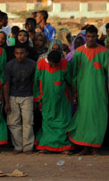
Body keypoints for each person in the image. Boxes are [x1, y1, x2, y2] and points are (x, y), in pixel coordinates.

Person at [67, 26, 108, 155]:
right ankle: (85, 147)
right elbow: (73, 73)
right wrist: (74, 90)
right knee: (83, 118)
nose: (90, 39)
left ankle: (95, 147)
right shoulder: (79, 52)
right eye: (88, 37)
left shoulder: (104, 52)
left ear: (97, 36)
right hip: (83, 91)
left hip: (100, 92)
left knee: (98, 117)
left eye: (93, 36)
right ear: (86, 37)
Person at [34, 50, 74, 153]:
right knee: (47, 122)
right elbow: (36, 84)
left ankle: (64, 146)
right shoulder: (41, 64)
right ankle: (46, 146)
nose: (53, 66)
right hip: (46, 99)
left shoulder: (64, 64)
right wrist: (38, 99)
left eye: (56, 64)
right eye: (52, 64)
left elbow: (70, 80)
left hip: (62, 100)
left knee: (63, 122)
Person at [3, 43, 37, 154]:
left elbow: (34, 83)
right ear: (14, 54)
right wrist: (6, 101)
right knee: (13, 122)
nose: (19, 56)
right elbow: (6, 84)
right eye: (17, 53)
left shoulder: (32, 65)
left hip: (27, 96)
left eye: (22, 53)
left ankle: (27, 147)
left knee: (28, 121)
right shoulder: (9, 65)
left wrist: (35, 98)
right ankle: (17, 146)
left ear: (26, 53)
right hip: (13, 96)